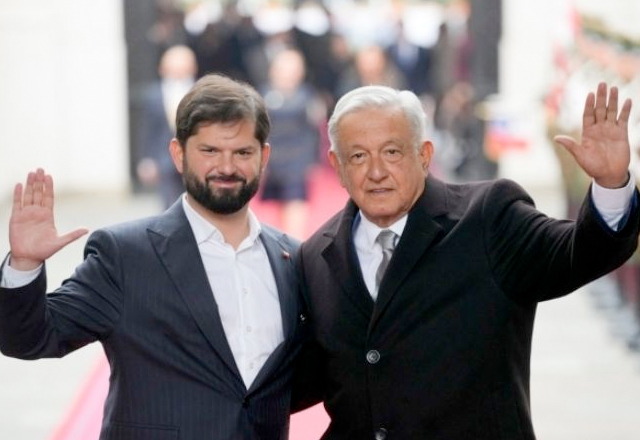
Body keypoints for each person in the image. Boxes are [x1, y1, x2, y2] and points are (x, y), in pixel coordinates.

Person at [293, 82, 640, 439]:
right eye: (358, 157)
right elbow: (300, 378)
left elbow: (576, 253)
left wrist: (611, 185)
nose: (376, 171)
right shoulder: (315, 255)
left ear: (424, 155)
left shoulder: (488, 218)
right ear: (337, 165)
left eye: (392, 152)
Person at [0, 74, 307, 440]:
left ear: (263, 156)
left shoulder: (293, 259)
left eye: (242, 152)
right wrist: (24, 266)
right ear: (178, 154)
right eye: (209, 151)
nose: (226, 167)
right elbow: (30, 339)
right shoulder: (124, 255)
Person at [259, 47, 325, 239]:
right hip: (273, 160)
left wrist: (314, 160)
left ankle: (296, 247)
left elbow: (314, 132)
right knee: (279, 209)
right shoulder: (263, 94)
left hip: (297, 162)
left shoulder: (307, 95)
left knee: (295, 209)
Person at [136, 44, 198, 209]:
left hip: (194, 158)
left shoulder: (200, 91)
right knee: (169, 205)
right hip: (164, 159)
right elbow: (148, 130)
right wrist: (147, 159)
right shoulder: (154, 95)